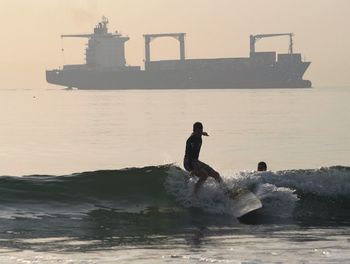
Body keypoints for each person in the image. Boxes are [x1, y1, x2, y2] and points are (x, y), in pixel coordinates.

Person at [184, 122, 223, 194]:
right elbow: (188, 156)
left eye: (201, 130)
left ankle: (225, 191)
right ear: (194, 130)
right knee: (204, 175)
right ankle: (195, 193)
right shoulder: (191, 140)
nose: (200, 132)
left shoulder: (199, 135)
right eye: (198, 131)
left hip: (196, 161)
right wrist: (193, 169)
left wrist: (202, 133)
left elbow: (199, 133)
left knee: (216, 174)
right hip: (188, 162)